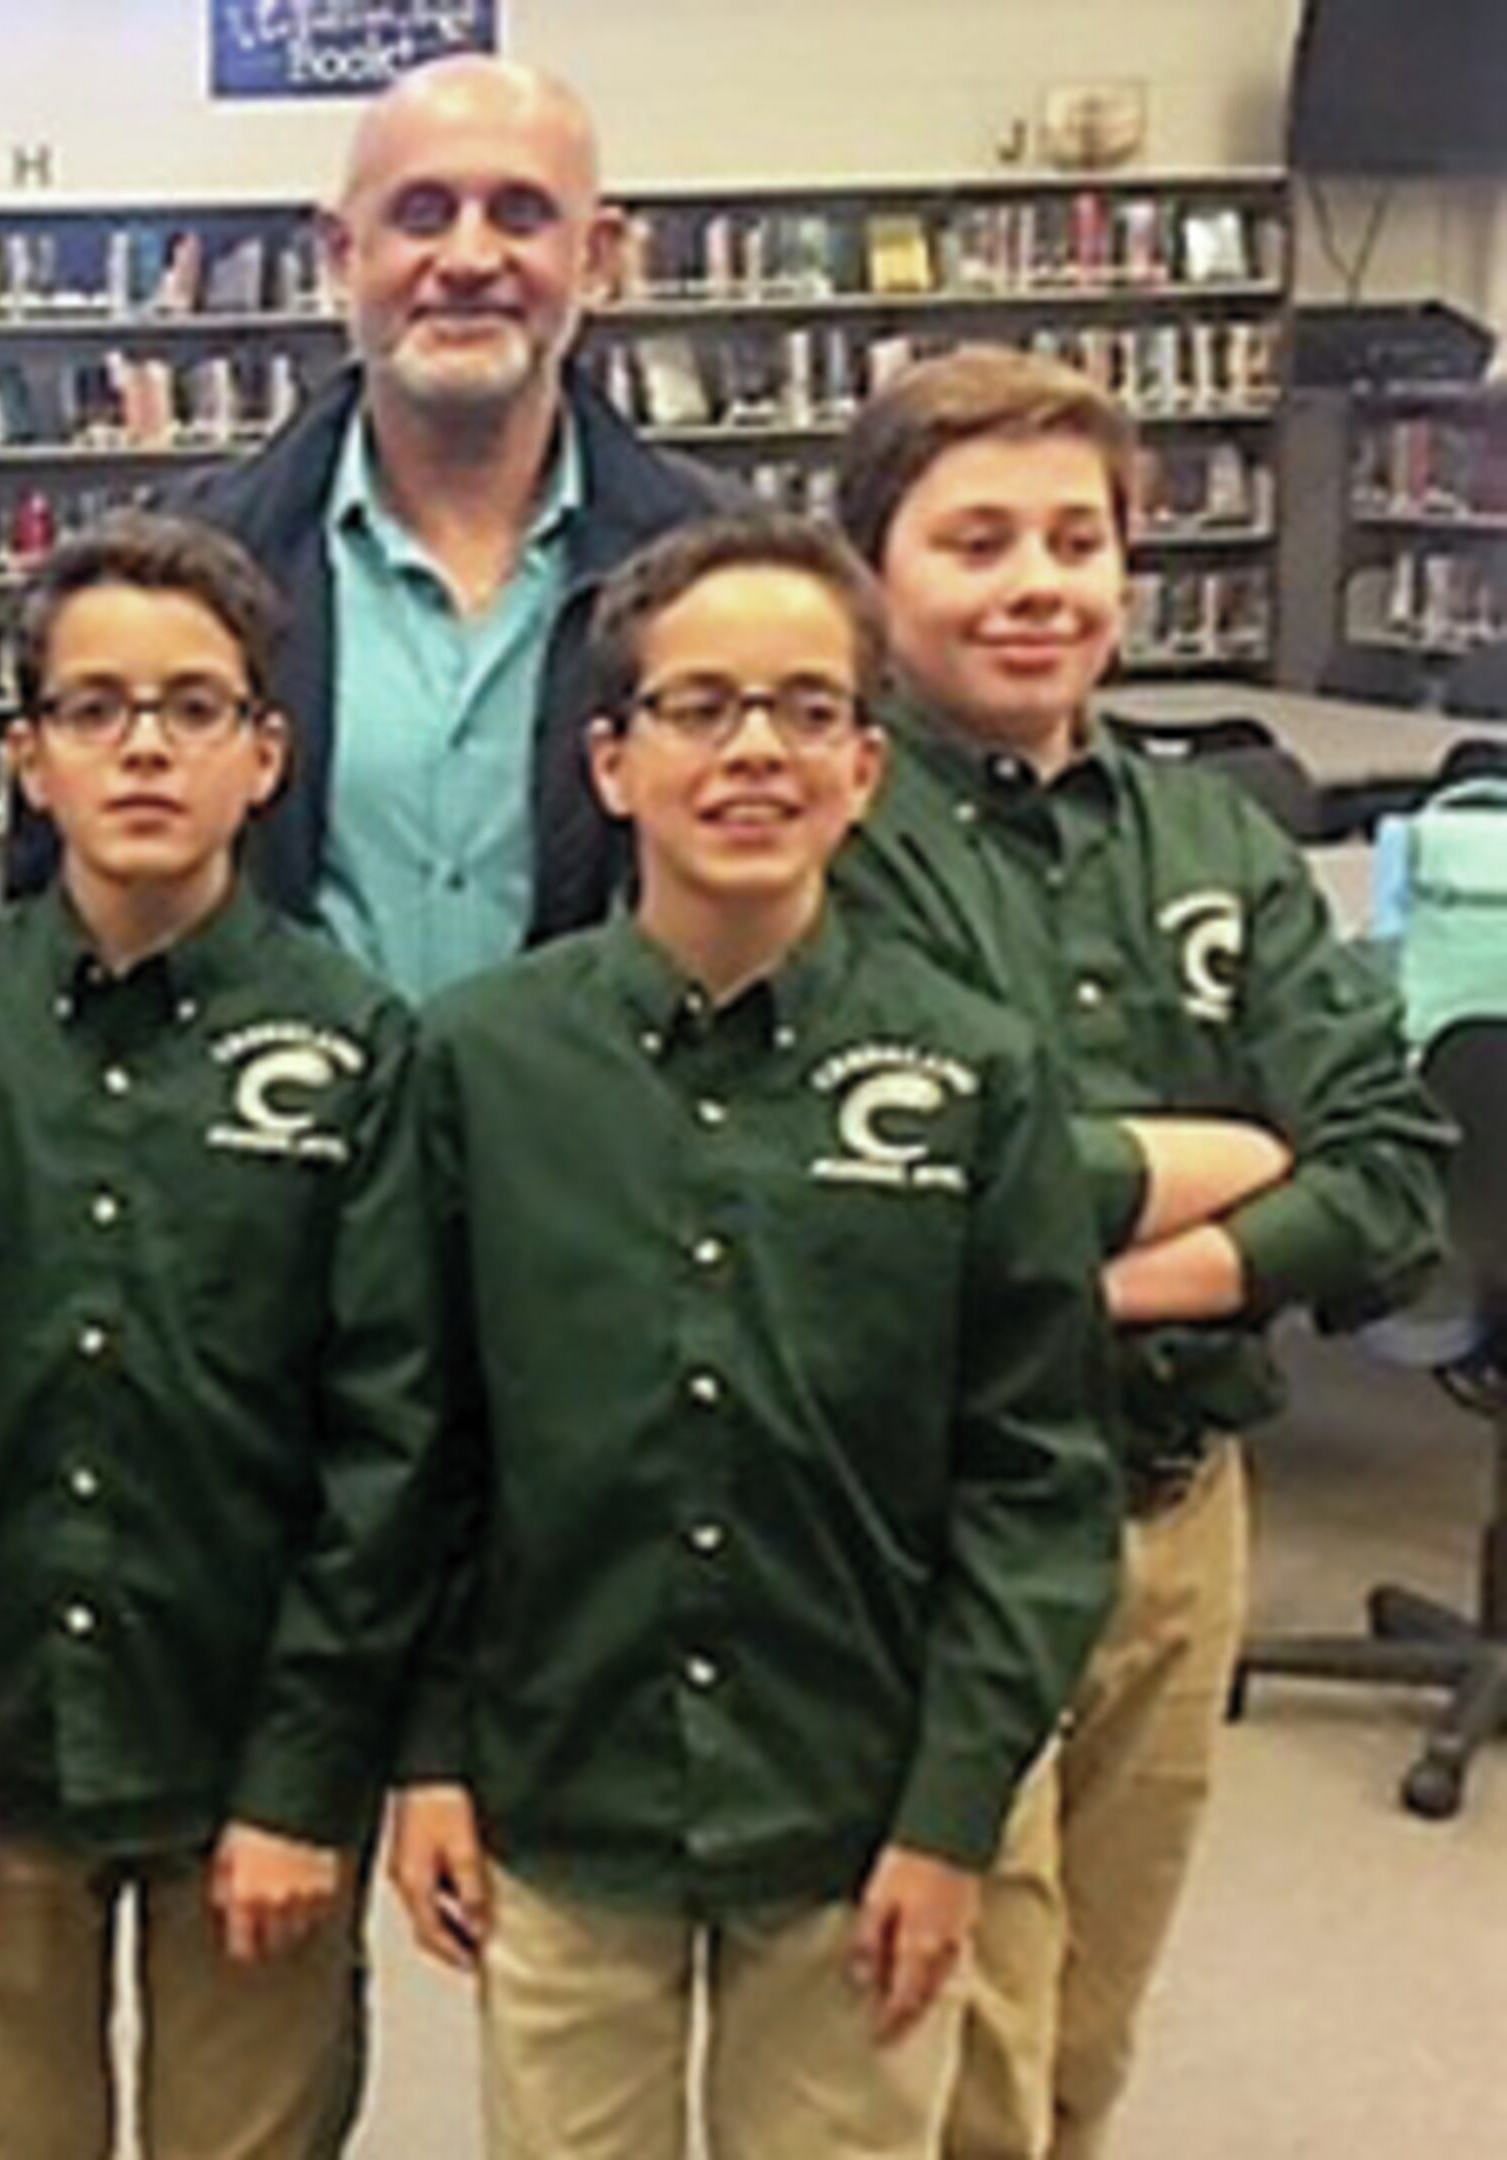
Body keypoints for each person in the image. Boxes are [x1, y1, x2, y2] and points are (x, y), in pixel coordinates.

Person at [394, 513, 1119, 2159]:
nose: (753, 753)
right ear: (611, 762)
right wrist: (427, 1755)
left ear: (866, 767)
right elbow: (424, 1446)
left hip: (856, 1800)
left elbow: (1036, 1483)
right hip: (566, 1776)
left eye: (805, 710)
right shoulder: (479, 1064)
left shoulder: (973, 1074)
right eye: (700, 707)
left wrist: (954, 1814)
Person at [826, 348, 1449, 2160]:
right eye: (977, 542)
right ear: (872, 569)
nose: (1038, 584)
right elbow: (896, 1193)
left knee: (1088, 2026)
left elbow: (1391, 1171)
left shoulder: (1212, 837)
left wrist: (1097, 1271)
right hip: (940, 1522)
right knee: (960, 2030)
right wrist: (1238, 1169)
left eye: (1077, 540)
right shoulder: (831, 837)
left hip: (1184, 1513)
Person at [0, 511, 442, 2160]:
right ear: (26, 758)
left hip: (251, 1738)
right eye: (94, 709)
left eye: (193, 707)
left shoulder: (359, 1047)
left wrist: (304, 1781)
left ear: (265, 754)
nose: (144, 746)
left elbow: (390, 1440)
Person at [157, 53, 729, 1001]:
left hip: (606, 1096)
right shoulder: (185, 568)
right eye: (421, 214)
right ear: (341, 254)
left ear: (598, 257)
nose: (468, 260)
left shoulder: (724, 571)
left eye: (521, 214)